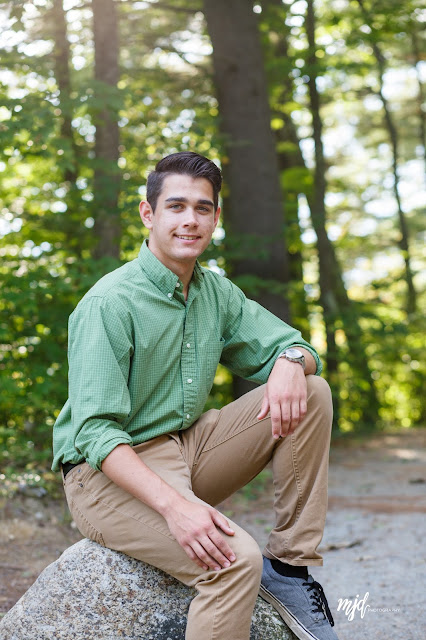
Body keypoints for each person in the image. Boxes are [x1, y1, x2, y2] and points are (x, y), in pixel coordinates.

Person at [52, 151, 338, 640]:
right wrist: (177, 508)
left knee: (311, 391)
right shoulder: (109, 303)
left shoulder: (214, 293)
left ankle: (290, 569)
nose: (190, 220)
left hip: (184, 448)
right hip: (104, 476)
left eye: (202, 208)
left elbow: (296, 346)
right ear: (149, 214)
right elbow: (96, 434)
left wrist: (290, 361)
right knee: (233, 561)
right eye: (176, 206)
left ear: (215, 217)